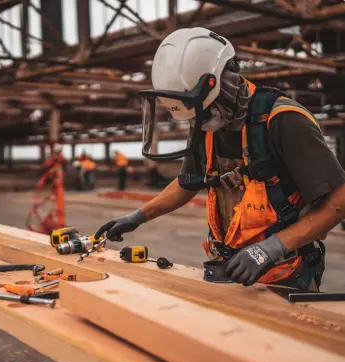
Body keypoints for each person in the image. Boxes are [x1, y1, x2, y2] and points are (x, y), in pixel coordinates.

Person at [95, 27, 345, 291]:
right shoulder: (207, 122)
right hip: (228, 268)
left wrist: (270, 248)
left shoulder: (283, 120)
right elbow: (187, 183)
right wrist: (139, 216)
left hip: (284, 272)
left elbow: (338, 200)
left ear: (224, 85)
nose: (198, 121)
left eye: (204, 110)